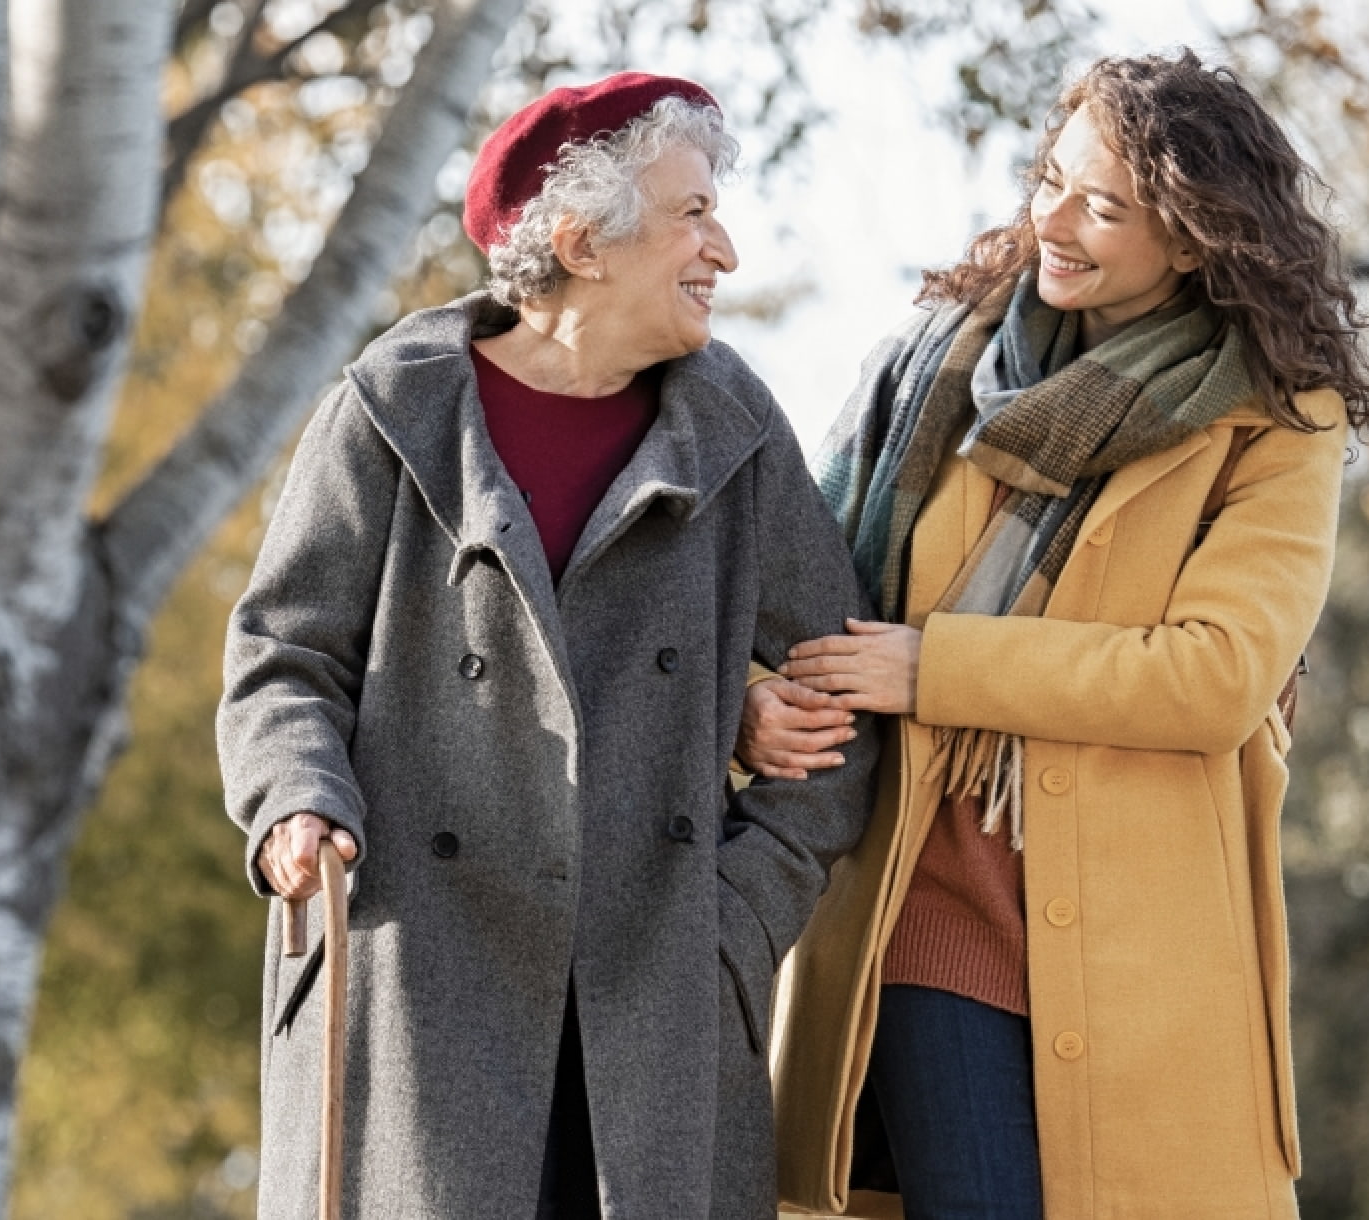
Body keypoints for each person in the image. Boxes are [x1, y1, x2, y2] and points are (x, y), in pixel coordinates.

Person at [738, 50, 1369, 1220]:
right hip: (928, 898)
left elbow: (1214, 676)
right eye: (1050, 179)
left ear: (1193, 238)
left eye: (1104, 206)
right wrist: (757, 697)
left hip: (1150, 946)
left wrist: (936, 666)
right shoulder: (938, 367)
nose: (1055, 219)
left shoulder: (1275, 421)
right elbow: (795, 583)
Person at [217, 72, 879, 1220]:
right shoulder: (392, 408)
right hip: (419, 981)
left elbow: (846, 690)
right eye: (692, 215)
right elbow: (285, 656)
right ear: (580, 241)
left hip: (655, 1007)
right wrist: (295, 801)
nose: (723, 249)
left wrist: (735, 924)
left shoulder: (734, 427)